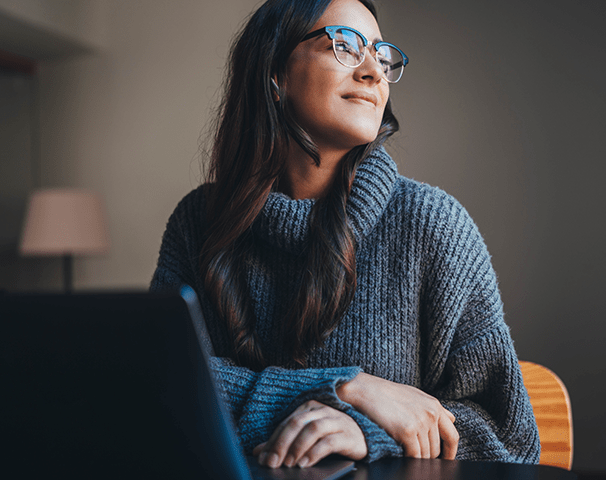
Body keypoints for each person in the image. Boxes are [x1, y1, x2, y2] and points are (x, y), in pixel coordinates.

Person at [150, 0, 540, 469]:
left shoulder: (434, 225)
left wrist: (369, 430)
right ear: (275, 73)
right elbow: (159, 383)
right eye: (345, 46)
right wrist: (349, 388)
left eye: (380, 54)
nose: (373, 71)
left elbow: (508, 435)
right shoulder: (198, 222)